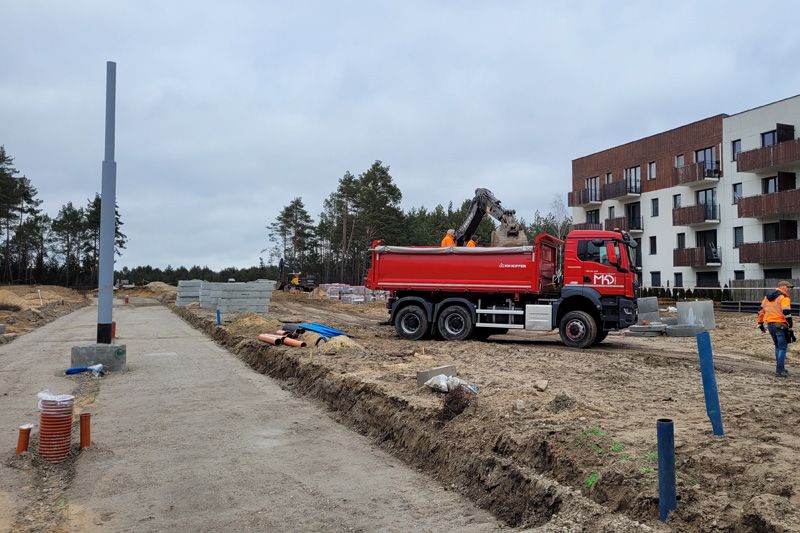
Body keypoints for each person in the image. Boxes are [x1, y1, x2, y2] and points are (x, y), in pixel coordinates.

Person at [758, 280, 795, 377]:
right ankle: (779, 371)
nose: (789, 289)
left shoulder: (766, 297)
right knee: (782, 348)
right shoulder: (784, 297)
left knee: (777, 346)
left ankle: (780, 368)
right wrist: (790, 324)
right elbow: (786, 312)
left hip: (770, 325)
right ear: (782, 286)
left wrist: (760, 323)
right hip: (780, 325)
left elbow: (761, 311)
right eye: (788, 287)